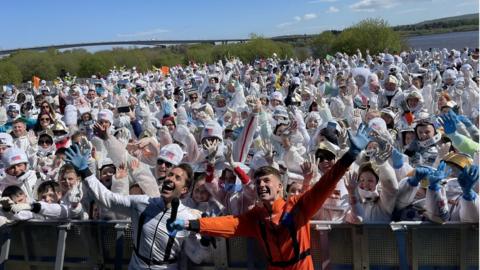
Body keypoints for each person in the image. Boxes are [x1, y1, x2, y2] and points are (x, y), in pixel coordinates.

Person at [167, 125, 369, 270]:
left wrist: (350, 155)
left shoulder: (298, 206)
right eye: (258, 182)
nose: (262, 185)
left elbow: (325, 185)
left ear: (280, 186)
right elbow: (228, 224)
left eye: (266, 181)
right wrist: (191, 224)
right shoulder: (255, 216)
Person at [64, 144, 210, 269]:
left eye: (177, 178)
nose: (170, 178)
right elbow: (108, 199)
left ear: (184, 190)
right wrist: (85, 171)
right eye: (170, 175)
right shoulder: (142, 203)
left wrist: (205, 241)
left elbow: (197, 257)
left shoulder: (188, 217)